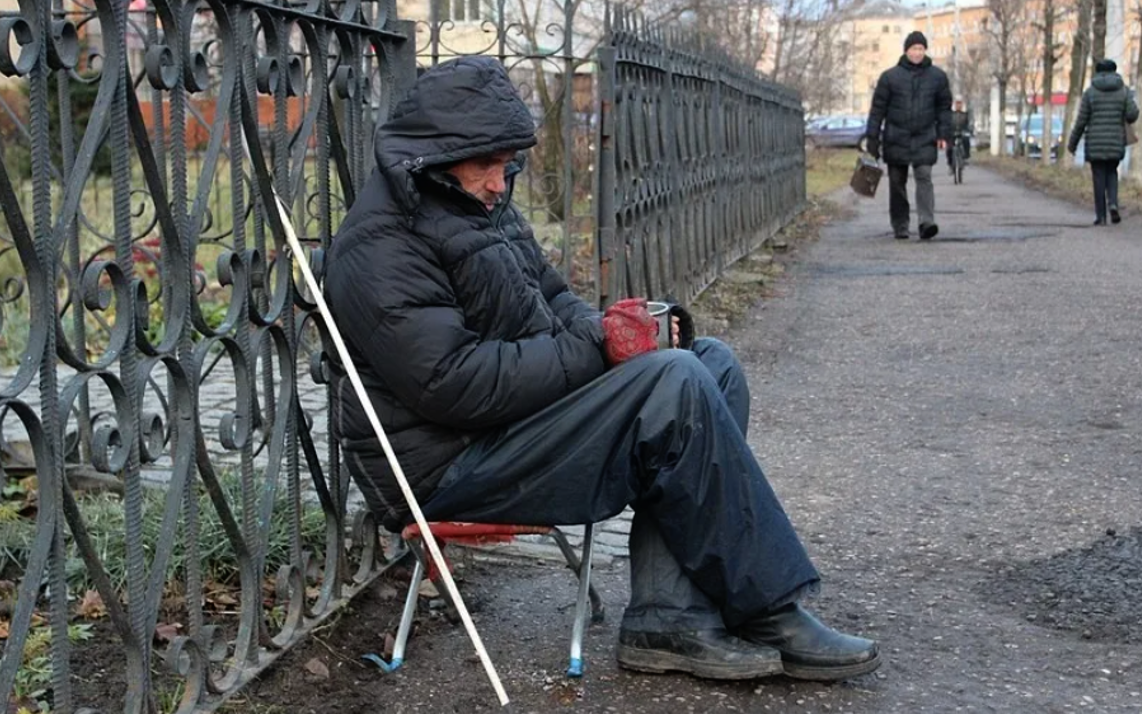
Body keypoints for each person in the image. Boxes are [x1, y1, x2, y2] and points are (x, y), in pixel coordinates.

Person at [325, 56, 881, 682]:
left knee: (709, 364)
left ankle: (668, 618)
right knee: (673, 380)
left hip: (511, 430)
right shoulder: (379, 244)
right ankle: (771, 608)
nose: (499, 182)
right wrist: (603, 352)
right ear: (432, 156)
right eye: (486, 163)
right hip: (450, 465)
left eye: (507, 163)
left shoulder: (477, 206)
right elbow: (454, 384)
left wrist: (617, 331)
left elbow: (554, 300)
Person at [863, 31, 952, 241]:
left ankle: (926, 222)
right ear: (906, 50)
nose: (917, 53)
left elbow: (944, 109)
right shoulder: (889, 77)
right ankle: (901, 224)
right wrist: (872, 139)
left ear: (925, 51)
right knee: (897, 182)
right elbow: (877, 111)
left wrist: (943, 134)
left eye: (921, 49)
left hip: (925, 136)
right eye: (914, 48)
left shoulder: (938, 77)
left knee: (924, 176)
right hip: (896, 137)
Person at [1067, 59, 1140, 226]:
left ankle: (1100, 216)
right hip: (1115, 141)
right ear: (1115, 72)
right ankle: (1113, 204)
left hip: (1095, 143)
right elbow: (1133, 114)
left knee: (1098, 176)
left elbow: (1081, 121)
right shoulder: (1123, 91)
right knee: (1112, 173)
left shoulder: (1090, 93)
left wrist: (1072, 143)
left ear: (1097, 72)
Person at [946, 96, 973, 173]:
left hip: (962, 132)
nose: (958, 105)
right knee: (949, 148)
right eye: (957, 103)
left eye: (960, 103)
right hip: (952, 132)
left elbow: (969, 123)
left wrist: (969, 130)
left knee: (966, 141)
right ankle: (950, 165)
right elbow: (947, 123)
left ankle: (965, 157)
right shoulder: (951, 113)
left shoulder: (965, 113)